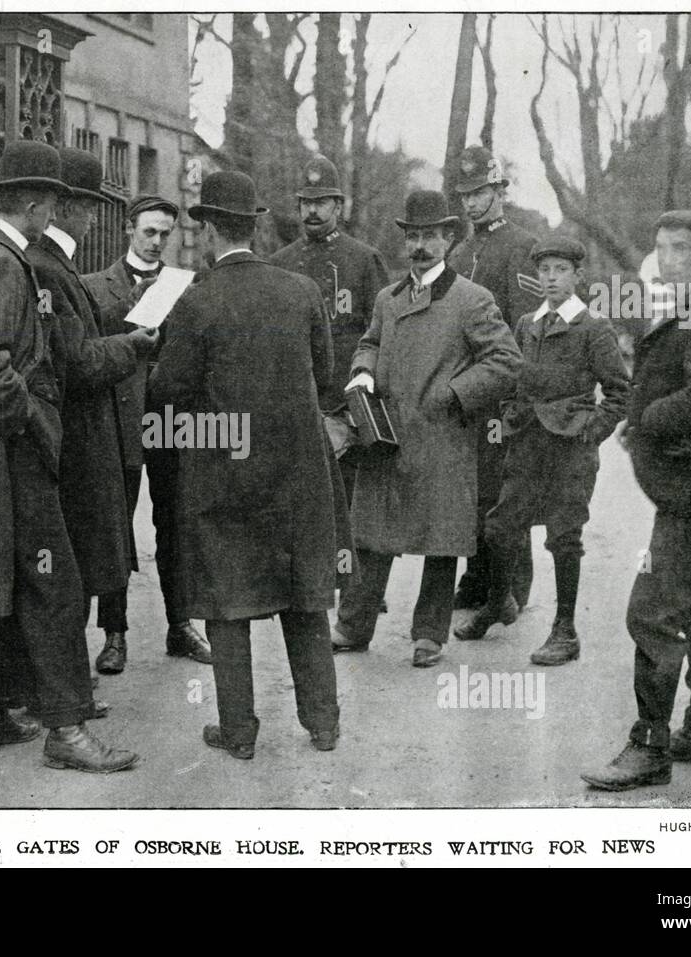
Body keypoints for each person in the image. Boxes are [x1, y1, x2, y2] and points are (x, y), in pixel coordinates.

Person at [0, 141, 137, 773]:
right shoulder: (3, 265)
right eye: (58, 202)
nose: (60, 214)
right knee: (56, 588)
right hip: (9, 457)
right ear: (37, 204)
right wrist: (33, 423)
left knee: (4, 582)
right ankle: (67, 730)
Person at [149, 169, 342, 759]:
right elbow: (325, 373)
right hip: (298, 475)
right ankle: (323, 724)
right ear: (254, 227)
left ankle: (238, 731)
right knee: (304, 598)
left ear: (208, 229)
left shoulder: (196, 300)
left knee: (226, 607)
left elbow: (165, 392)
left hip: (223, 473)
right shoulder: (301, 291)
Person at [582, 211, 691, 790]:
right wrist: (644, 422)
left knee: (651, 612)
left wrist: (648, 419)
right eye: (660, 249)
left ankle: (649, 747)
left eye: (680, 250)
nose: (665, 260)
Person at [331, 190, 521, 668]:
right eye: (413, 236)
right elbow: (369, 343)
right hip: (386, 434)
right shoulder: (388, 298)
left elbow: (505, 361)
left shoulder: (472, 299)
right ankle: (353, 626)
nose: (419, 246)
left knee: (441, 541)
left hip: (442, 438)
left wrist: (454, 394)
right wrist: (362, 370)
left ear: (449, 239)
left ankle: (429, 635)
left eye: (430, 237)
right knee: (370, 535)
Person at [454, 237, 630, 666]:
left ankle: (565, 630)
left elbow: (620, 393)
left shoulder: (593, 328)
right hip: (526, 444)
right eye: (545, 270)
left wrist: (591, 431)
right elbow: (512, 378)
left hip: (571, 450)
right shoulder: (525, 324)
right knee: (500, 527)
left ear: (576, 276)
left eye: (560, 270)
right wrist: (510, 416)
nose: (551, 278)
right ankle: (499, 603)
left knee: (564, 536)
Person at [26, 148, 157, 677]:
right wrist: (133, 344)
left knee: (71, 564)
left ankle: (60, 686)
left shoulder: (53, 265)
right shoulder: (50, 266)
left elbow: (71, 330)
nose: (95, 216)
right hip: (74, 441)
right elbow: (77, 360)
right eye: (88, 205)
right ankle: (61, 691)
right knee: (70, 568)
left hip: (69, 437)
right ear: (66, 208)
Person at [84, 196, 213, 671]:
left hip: (172, 420)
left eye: (166, 234)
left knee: (176, 523)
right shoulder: (94, 287)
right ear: (128, 230)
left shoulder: (189, 286)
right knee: (115, 524)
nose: (158, 242)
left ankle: (181, 626)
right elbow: (89, 353)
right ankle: (114, 634)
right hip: (117, 418)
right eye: (150, 232)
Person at [447, 146, 544, 612]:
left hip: (503, 391)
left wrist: (518, 398)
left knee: (506, 489)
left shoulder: (522, 247)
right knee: (470, 488)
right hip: (467, 390)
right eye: (464, 195)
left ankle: (511, 584)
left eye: (479, 192)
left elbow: (526, 328)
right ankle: (476, 578)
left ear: (499, 190)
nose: (470, 203)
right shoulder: (459, 251)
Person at [268, 154, 389, 499]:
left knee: (346, 506)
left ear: (338, 204)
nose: (312, 211)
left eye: (321, 202)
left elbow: (381, 335)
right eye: (306, 203)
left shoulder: (364, 259)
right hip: (296, 405)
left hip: (347, 411)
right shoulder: (281, 263)